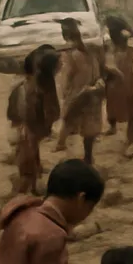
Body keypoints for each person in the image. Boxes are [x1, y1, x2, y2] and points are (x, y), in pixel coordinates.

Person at [7, 44, 60, 195]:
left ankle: (32, 183)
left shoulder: (42, 84)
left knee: (31, 158)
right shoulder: (30, 89)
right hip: (27, 131)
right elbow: (24, 114)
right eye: (58, 64)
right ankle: (25, 192)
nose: (61, 66)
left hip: (30, 131)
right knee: (27, 169)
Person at [55, 17, 105, 165]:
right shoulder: (90, 52)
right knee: (90, 127)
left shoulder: (71, 54)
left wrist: (65, 93)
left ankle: (61, 144)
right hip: (93, 92)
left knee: (69, 118)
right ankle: (88, 156)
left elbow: (67, 76)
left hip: (78, 93)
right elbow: (97, 71)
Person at [103, 17, 133, 147]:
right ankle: (129, 133)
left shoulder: (123, 46)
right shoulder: (122, 45)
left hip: (123, 76)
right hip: (124, 75)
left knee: (121, 103)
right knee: (125, 104)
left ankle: (128, 134)